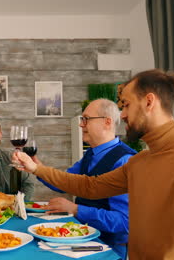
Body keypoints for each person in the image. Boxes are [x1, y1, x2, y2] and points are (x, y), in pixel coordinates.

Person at [14, 69, 174, 259]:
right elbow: (89, 186)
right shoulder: (140, 161)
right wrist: (36, 169)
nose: (122, 115)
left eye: (126, 105)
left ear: (149, 102)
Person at [38, 99, 136, 259]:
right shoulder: (90, 154)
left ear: (107, 122)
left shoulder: (125, 161)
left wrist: (75, 209)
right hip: (81, 238)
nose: (81, 124)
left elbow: (124, 222)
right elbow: (64, 183)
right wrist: (37, 168)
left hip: (108, 248)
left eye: (86, 119)